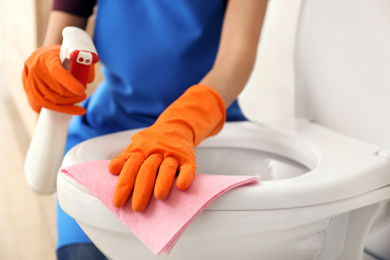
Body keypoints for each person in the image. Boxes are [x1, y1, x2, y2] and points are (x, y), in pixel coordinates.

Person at [22, 0, 268, 259]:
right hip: (109, 125)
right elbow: (58, 43)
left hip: (206, 129)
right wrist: (46, 73)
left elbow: (237, 53)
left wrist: (184, 121)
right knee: (82, 252)